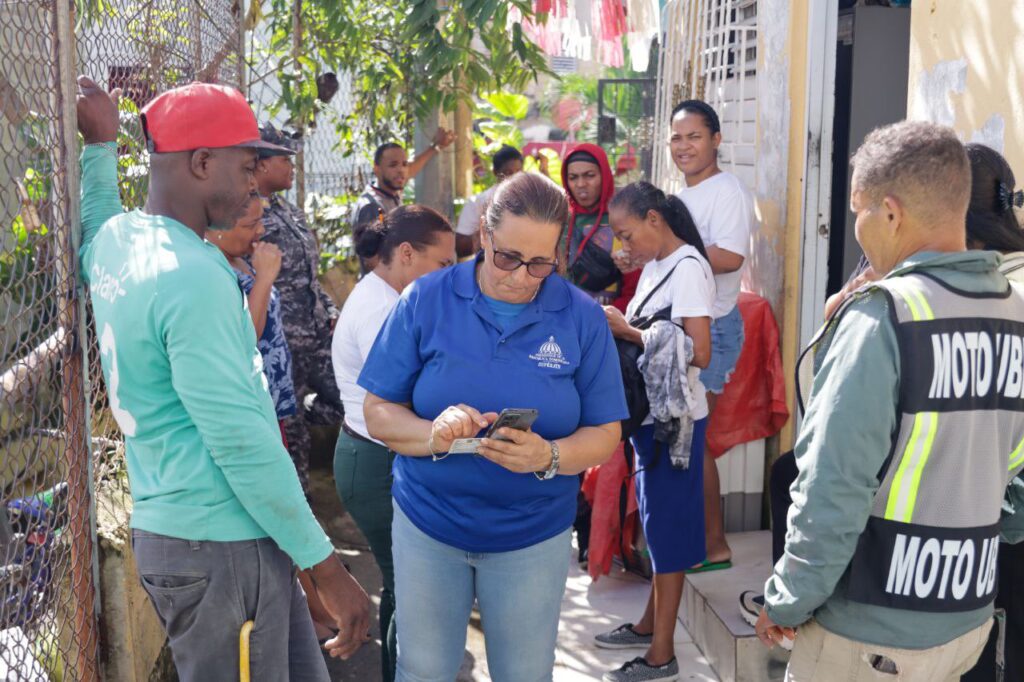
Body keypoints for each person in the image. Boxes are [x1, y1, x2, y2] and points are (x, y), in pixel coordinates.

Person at [75, 77, 369, 680]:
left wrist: (98, 148)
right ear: (204, 162)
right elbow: (238, 440)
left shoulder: (121, 244)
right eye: (246, 165)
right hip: (220, 545)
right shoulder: (192, 275)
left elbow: (95, 224)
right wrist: (325, 567)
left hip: (195, 533)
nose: (255, 182)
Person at [756, 121, 1024, 681]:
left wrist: (787, 599)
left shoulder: (883, 316)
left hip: (868, 637)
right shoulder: (1013, 312)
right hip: (966, 620)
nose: (856, 226)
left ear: (892, 212)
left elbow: (833, 487)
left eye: (858, 209)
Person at [358, 172, 628, 682]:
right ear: (483, 233)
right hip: (429, 525)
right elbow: (378, 411)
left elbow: (604, 432)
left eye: (541, 263)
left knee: (524, 674)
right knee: (423, 669)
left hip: (533, 533)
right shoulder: (426, 299)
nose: (522, 277)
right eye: (507, 258)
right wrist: (432, 432)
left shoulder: (582, 318)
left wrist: (546, 456)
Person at [332, 205, 456, 682]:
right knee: (410, 586)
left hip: (378, 455)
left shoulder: (388, 297)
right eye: (443, 265)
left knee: (405, 584)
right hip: (374, 461)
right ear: (406, 254)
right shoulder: (383, 309)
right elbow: (416, 396)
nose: (450, 276)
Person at [598, 182, 715, 682]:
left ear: (653, 219)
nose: (624, 247)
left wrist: (628, 331)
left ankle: (662, 655)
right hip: (653, 418)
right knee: (656, 527)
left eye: (627, 235)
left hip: (677, 422)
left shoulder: (688, 268)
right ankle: (649, 625)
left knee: (668, 537)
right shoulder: (655, 267)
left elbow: (701, 352)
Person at [670, 99, 754, 571]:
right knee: (685, 441)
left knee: (694, 440)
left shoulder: (728, 191)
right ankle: (695, 540)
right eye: (677, 138)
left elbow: (730, 258)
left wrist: (675, 251)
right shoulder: (681, 196)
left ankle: (714, 543)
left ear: (716, 140)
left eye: (694, 136)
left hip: (713, 329)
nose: (684, 146)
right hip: (686, 327)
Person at [255, 123, 342, 493]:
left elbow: (310, 276)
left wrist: (331, 311)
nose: (293, 166)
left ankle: (298, 416)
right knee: (289, 435)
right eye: (283, 159)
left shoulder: (287, 210)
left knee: (345, 400)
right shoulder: (246, 216)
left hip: (316, 335)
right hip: (281, 343)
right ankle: (298, 508)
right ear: (259, 164)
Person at [350, 130, 456, 269]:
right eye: (393, 165)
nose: (401, 170)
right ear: (377, 169)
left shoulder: (390, 191)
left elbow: (411, 169)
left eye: (404, 164)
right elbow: (372, 259)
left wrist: (435, 147)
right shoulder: (372, 206)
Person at [561, 144, 639, 310]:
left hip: (613, 320)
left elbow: (634, 284)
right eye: (573, 177)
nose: (581, 184)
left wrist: (611, 319)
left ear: (604, 175)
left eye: (589, 175)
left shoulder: (622, 217)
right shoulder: (560, 220)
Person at [455, 144, 524, 257]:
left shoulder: (529, 201)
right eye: (508, 172)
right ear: (495, 172)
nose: (514, 177)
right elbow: (460, 249)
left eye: (518, 172)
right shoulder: (478, 202)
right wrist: (490, 226)